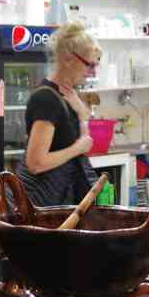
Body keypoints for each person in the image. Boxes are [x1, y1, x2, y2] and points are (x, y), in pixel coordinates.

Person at [19, 22, 100, 206]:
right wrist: (76, 149)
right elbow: (36, 163)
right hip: (43, 207)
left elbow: (84, 142)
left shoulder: (68, 95)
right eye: (89, 64)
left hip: (59, 202)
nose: (92, 72)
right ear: (68, 58)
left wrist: (82, 114)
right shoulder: (46, 99)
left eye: (95, 65)